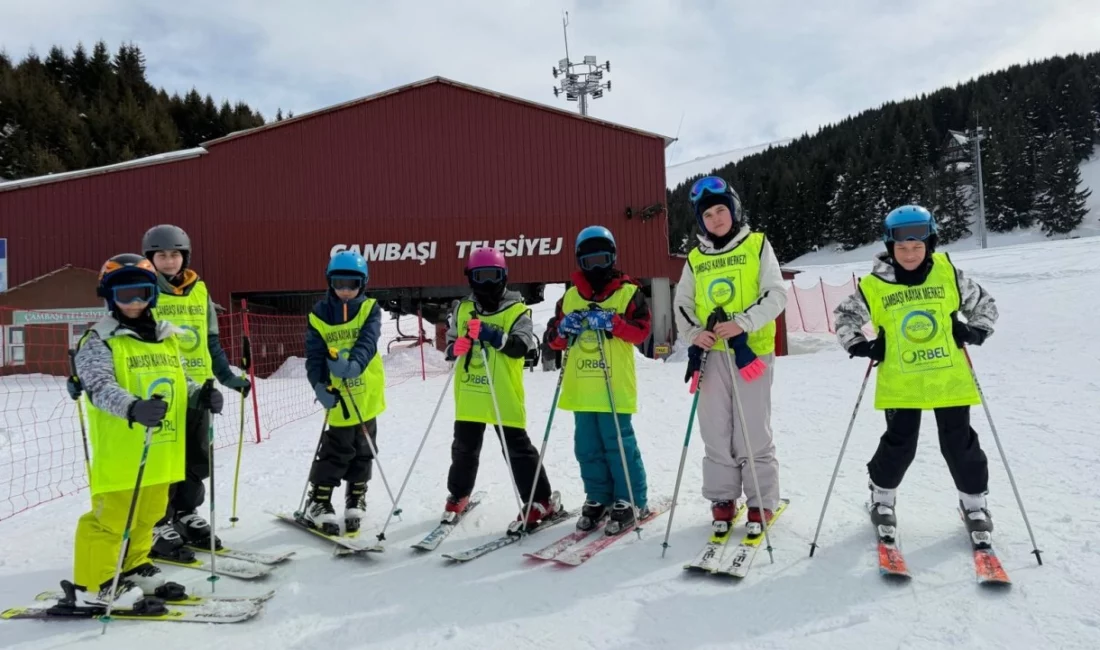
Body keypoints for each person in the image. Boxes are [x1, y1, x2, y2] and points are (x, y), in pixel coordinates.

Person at [64, 254, 222, 611]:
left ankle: (133, 565)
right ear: (109, 297)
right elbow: (99, 386)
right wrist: (133, 407)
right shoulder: (99, 339)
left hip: (162, 448)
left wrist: (202, 395)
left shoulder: (166, 336)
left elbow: (182, 381)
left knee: (149, 514)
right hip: (123, 451)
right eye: (125, 294)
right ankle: (93, 584)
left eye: (142, 293)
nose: (135, 302)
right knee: (110, 520)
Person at [833, 205, 998, 539]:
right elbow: (844, 317)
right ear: (890, 247)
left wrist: (974, 331)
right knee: (900, 443)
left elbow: (985, 305)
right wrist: (860, 345)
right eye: (902, 247)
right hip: (901, 381)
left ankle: (974, 503)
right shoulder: (874, 284)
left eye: (917, 246)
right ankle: (881, 498)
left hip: (948, 378)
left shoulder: (948, 273)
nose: (910, 254)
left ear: (930, 244)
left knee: (959, 443)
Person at [672, 176, 788, 536]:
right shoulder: (695, 258)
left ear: (734, 211)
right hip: (711, 357)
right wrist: (696, 334)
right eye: (708, 214)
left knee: (752, 428)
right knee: (715, 430)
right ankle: (723, 498)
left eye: (722, 210)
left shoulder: (756, 244)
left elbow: (775, 294)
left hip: (750, 354)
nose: (716, 218)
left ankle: (760, 499)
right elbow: (683, 305)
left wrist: (742, 323)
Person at [141, 224, 251, 561]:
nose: (170, 261)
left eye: (175, 254)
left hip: (201, 389)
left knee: (197, 456)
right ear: (151, 258)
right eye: (162, 254)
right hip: (161, 389)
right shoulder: (143, 289)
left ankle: (186, 512)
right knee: (163, 459)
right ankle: (158, 520)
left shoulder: (199, 291)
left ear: (184, 256)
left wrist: (228, 377)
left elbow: (211, 343)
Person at [443, 248, 562, 533]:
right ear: (470, 278)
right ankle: (458, 494)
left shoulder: (516, 310)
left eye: (492, 277)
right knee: (464, 449)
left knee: (517, 449)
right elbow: (450, 343)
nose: (486, 284)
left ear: (504, 277)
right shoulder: (462, 309)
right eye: (479, 277)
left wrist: (494, 335)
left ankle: (539, 500)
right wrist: (454, 348)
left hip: (503, 393)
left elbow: (524, 346)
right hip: (470, 392)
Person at [546, 226, 652, 536]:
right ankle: (599, 497)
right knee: (586, 446)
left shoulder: (629, 291)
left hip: (613, 385)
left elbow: (641, 331)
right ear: (580, 262)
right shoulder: (568, 296)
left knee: (617, 444)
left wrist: (613, 322)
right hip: (581, 387)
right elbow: (553, 340)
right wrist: (565, 328)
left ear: (613, 258)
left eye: (602, 260)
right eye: (589, 261)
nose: (596, 268)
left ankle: (631, 499)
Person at [300, 250, 386, 535]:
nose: (346, 291)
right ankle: (319, 500)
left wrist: (354, 365)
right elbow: (314, 356)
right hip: (339, 398)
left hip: (367, 394)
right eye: (339, 284)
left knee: (364, 450)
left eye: (352, 284)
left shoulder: (370, 309)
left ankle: (356, 495)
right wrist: (319, 385)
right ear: (330, 282)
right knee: (337, 451)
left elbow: (368, 341)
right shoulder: (319, 315)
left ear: (363, 284)